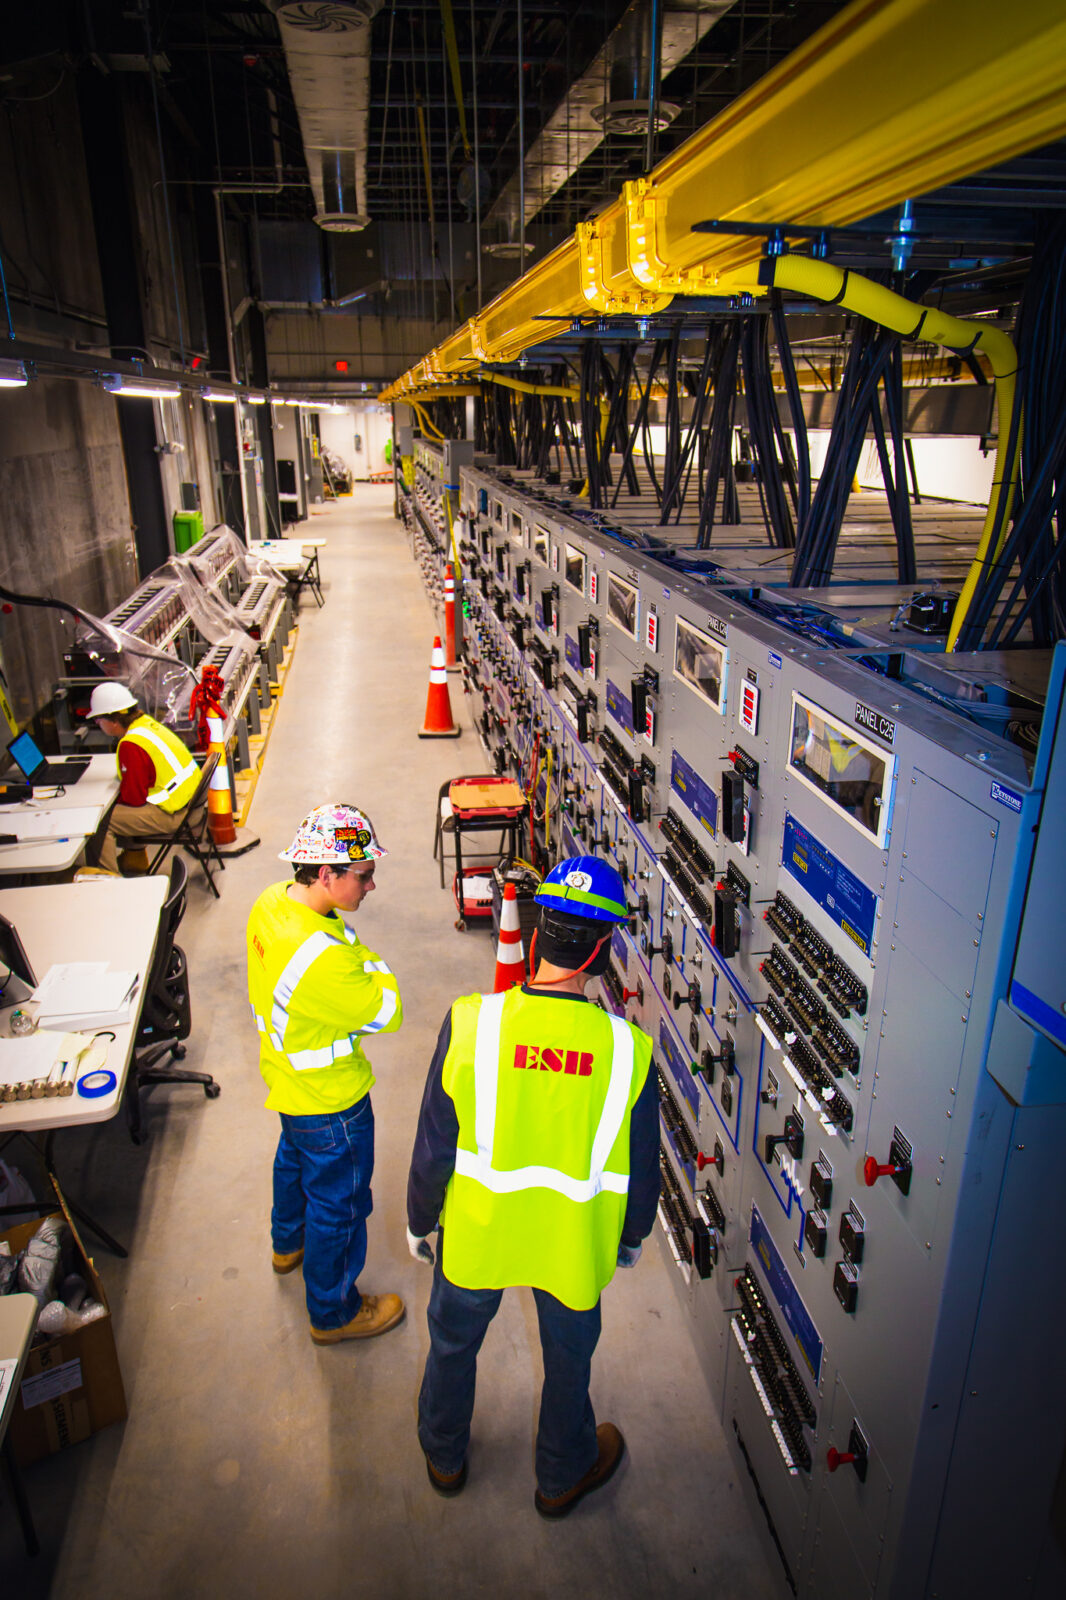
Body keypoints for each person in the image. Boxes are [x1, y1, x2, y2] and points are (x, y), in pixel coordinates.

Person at [407, 856, 658, 1516]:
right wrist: (628, 1241)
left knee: (453, 1345)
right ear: (602, 951)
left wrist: (417, 1220)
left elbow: (434, 1144)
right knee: (570, 1362)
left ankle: (444, 1452)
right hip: (571, 1248)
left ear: (542, 932)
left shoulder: (471, 1023)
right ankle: (561, 1474)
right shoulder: (628, 1052)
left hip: (478, 1238)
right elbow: (644, 1170)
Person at [246, 803, 405, 1345]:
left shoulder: (271, 903)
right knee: (339, 1205)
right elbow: (389, 1009)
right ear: (325, 874)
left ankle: (286, 1246)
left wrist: (349, 950)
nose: (371, 886)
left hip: (288, 1083)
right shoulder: (323, 957)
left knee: (292, 1165)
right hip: (333, 1102)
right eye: (363, 875)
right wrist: (367, 958)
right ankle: (333, 1313)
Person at [87, 681, 201, 875]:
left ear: (113, 720)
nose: (98, 725)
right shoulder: (146, 724)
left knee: (98, 822)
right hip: (192, 803)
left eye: (98, 720)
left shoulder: (131, 744)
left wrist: (106, 802)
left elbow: (134, 799)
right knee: (115, 813)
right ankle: (135, 860)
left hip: (176, 814)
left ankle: (105, 881)